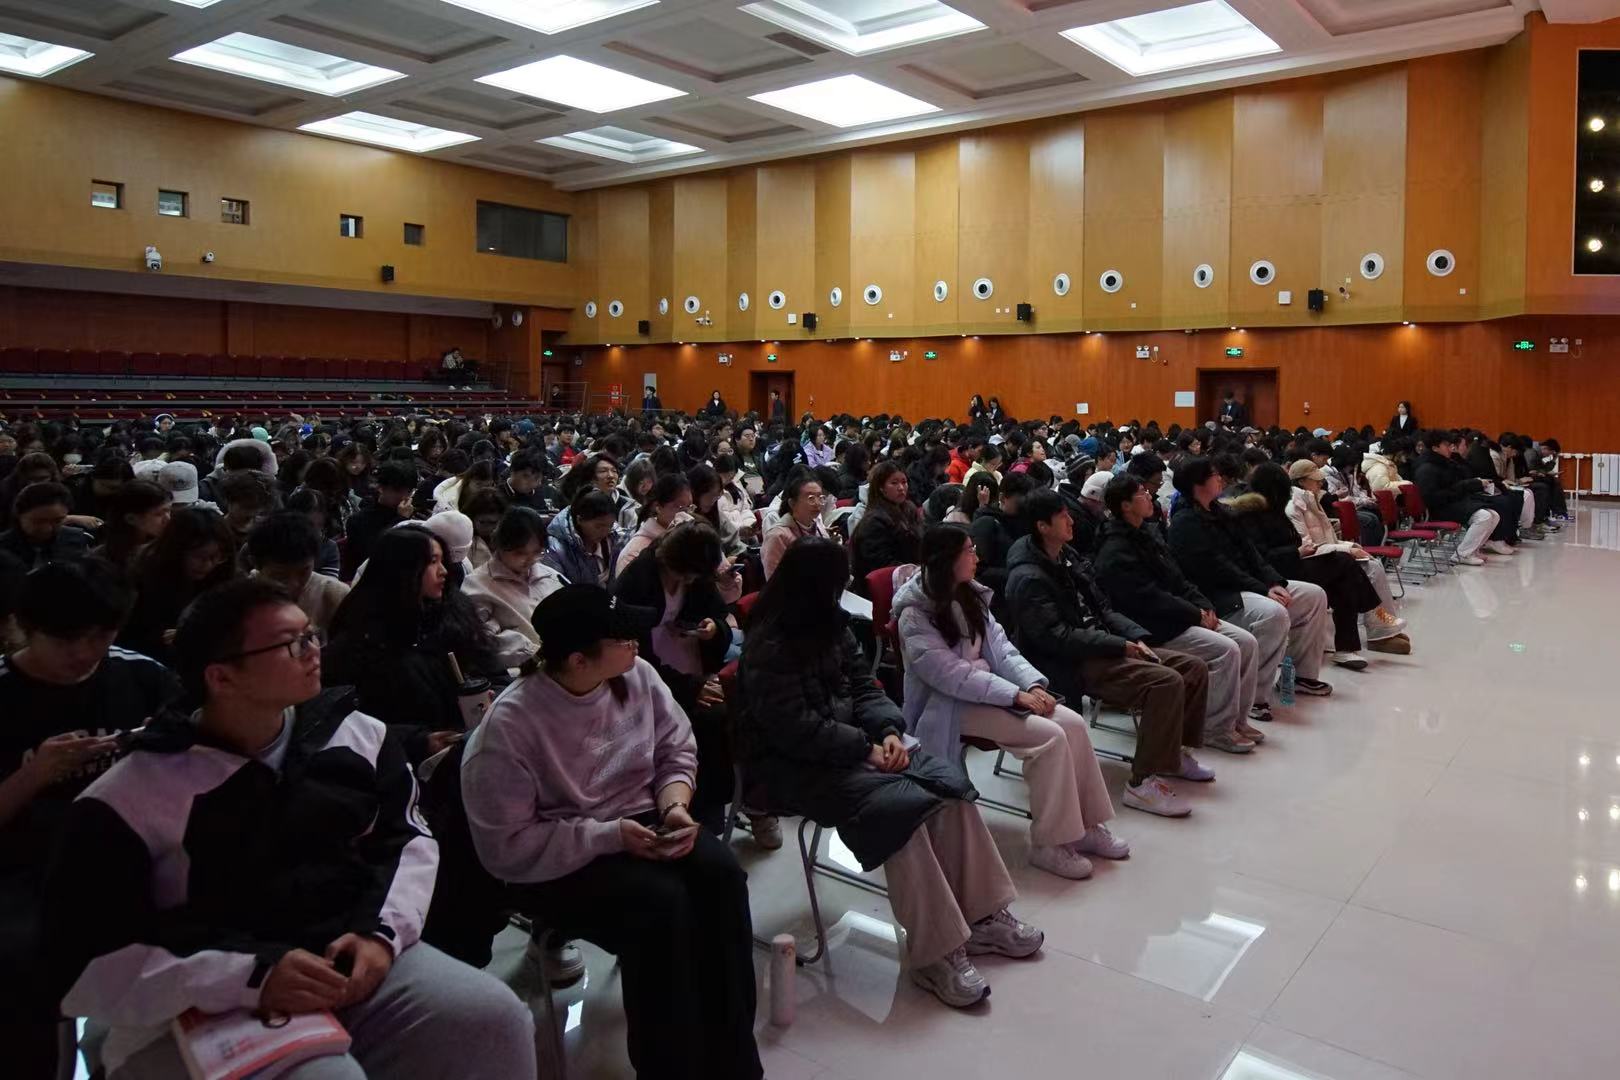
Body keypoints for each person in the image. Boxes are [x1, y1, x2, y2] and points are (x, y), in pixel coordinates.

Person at [40, 578, 536, 1080]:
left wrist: (379, 935)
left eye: (310, 635)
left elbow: (406, 840)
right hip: (207, 987)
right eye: (291, 644)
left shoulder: (356, 735)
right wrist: (253, 975)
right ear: (221, 677)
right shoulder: (134, 791)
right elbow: (83, 959)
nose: (314, 651)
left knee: (493, 1017)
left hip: (345, 950)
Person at [457, 585, 762, 1079]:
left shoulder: (635, 675)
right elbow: (506, 848)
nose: (634, 644)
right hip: (563, 854)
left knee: (722, 876)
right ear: (578, 660)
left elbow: (676, 746)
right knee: (661, 906)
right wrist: (609, 836)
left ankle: (733, 1059)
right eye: (620, 638)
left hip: (643, 817)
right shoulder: (510, 729)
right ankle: (670, 1068)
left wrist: (675, 805)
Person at [738, 538, 1045, 1008]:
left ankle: (985, 916)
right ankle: (934, 952)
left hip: (859, 747)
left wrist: (887, 731)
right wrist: (865, 748)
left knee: (950, 788)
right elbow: (793, 728)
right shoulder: (770, 646)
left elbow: (866, 688)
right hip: (797, 765)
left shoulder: (832, 625)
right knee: (902, 814)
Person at [0, 560, 180, 1080]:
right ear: (24, 628)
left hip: (136, 856)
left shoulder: (142, 676)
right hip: (26, 873)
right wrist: (34, 775)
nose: (83, 653)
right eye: (64, 640)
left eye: (99, 636)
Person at [895, 526, 1127, 881]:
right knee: (1049, 737)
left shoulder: (969, 594)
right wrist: (1014, 695)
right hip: (945, 707)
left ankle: (1084, 826)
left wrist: (1030, 683)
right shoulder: (915, 613)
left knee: (1072, 723)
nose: (977, 557)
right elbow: (948, 675)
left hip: (990, 690)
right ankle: (1049, 843)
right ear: (946, 560)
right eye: (969, 551)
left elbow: (1003, 650)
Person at [1004, 491, 1213, 817]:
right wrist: (1118, 645)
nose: (1071, 521)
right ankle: (1141, 784)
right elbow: (1057, 638)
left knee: (1193, 668)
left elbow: (1103, 607)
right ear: (1042, 526)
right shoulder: (1028, 577)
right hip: (1068, 662)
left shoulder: (1065, 555)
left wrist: (1134, 636)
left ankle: (1173, 755)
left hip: (1102, 643)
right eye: (1063, 517)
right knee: (1166, 682)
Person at [1094, 475, 1267, 752]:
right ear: (1125, 505)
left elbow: (1178, 578)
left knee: (1247, 642)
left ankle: (1237, 719)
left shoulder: (1148, 533)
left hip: (1179, 614)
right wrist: (1195, 614)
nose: (1149, 496)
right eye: (1141, 493)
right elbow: (1149, 598)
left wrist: (1204, 605)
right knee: (1227, 650)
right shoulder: (1115, 549)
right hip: (1152, 627)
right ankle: (1215, 728)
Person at [322, 527, 502, 765]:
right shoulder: (360, 635)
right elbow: (343, 719)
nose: (443, 571)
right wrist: (416, 741)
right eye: (432, 562)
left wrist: (494, 698)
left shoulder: (454, 614)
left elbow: (494, 672)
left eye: (442, 561)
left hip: (476, 743)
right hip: (401, 761)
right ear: (402, 569)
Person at [1167, 457, 1334, 710]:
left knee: (1314, 596)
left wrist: (1273, 581)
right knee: (1273, 614)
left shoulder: (1222, 512)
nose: (1220, 479)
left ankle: (1300, 677)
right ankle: (1253, 696)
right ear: (1198, 484)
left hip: (1249, 586)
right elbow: (1218, 569)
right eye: (1214, 475)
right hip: (1220, 595)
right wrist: (1262, 588)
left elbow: (1252, 555)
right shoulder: (1184, 523)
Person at [1285, 461, 1410, 654]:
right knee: (1363, 569)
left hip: (1329, 553)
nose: (1320, 483)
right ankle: (1380, 626)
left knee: (1374, 565)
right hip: (1314, 560)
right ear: (1301, 481)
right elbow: (1308, 546)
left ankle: (1384, 627)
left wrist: (1350, 546)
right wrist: (1348, 549)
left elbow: (1329, 539)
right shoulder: (1294, 507)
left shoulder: (1313, 500)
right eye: (1315, 480)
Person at [118, 507, 237, 668]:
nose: (208, 565)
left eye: (217, 557)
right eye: (199, 556)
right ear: (177, 549)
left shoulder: (222, 576)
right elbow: (130, 636)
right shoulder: (141, 576)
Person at [464, 507, 566, 668]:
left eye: (537, 552)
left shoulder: (551, 576)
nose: (530, 560)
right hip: (520, 671)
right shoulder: (477, 586)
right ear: (500, 545)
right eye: (520, 553)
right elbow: (481, 640)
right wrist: (533, 652)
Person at [247, 511, 351, 636]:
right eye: (280, 576)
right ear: (256, 564)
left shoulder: (333, 595)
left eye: (303, 572)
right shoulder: (245, 598)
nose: (294, 584)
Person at [1413, 430, 1503, 565]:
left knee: (1494, 515)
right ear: (1435, 448)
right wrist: (1460, 488)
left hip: (1452, 502)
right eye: (1446, 445)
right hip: (1438, 509)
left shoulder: (1446, 463)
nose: (1450, 448)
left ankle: (1473, 550)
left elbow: (1457, 484)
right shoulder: (1427, 468)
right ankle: (1462, 554)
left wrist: (1467, 485)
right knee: (1484, 517)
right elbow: (1431, 498)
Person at [849, 461, 921, 589]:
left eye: (904, 482)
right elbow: (882, 565)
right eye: (894, 483)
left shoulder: (909, 509)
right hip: (887, 586)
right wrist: (918, 571)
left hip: (912, 577)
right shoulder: (873, 521)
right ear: (881, 488)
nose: (901, 488)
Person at [343, 460, 417, 580]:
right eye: (397, 491)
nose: (404, 497)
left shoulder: (413, 513)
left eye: (409, 492)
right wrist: (401, 520)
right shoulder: (359, 520)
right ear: (381, 488)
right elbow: (375, 553)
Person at [968, 470, 1033, 601]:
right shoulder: (986, 523)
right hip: (997, 597)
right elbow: (979, 570)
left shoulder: (1025, 520)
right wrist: (1020, 575)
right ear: (1002, 498)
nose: (1024, 507)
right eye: (1019, 503)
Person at [545, 489, 625, 589]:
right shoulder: (556, 550)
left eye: (610, 525)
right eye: (599, 526)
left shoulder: (615, 539)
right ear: (579, 519)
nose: (605, 532)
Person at [0, 483, 92, 568]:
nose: (47, 529)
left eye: (57, 521)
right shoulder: (3, 548)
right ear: (19, 516)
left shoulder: (76, 540)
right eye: (38, 521)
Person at [760, 468, 830, 579]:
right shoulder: (778, 536)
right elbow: (775, 581)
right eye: (811, 498)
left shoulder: (817, 527)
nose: (817, 503)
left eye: (820, 497)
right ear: (792, 503)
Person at [618, 472, 693, 574]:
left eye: (689, 507)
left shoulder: (689, 537)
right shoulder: (634, 553)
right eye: (679, 507)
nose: (687, 516)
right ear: (657, 507)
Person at [91, 480, 170, 572]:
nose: (168, 519)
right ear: (131, 519)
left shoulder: (169, 550)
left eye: (168, 510)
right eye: (158, 514)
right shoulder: (100, 561)